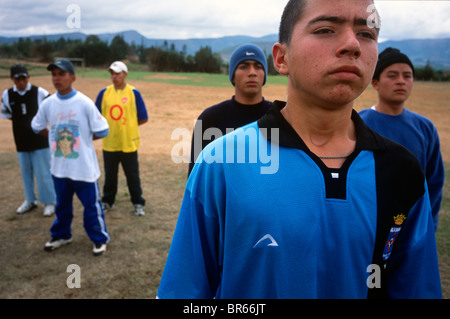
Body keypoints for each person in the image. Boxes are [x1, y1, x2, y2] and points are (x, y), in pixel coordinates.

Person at [157, 0, 441, 298]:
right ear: (282, 59)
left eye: (367, 34)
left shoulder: (403, 172)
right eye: (326, 29)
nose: (352, 44)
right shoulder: (221, 162)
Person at [359, 47, 444, 231]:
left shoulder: (424, 127)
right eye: (392, 75)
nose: (401, 81)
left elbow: (434, 181)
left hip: (412, 225)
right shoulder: (359, 124)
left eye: (407, 76)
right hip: (367, 224)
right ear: (375, 83)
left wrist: (427, 223)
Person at [31, 58, 110, 256]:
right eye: (54, 74)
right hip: (59, 167)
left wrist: (84, 138)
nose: (56, 79)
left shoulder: (84, 103)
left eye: (61, 74)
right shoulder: (48, 104)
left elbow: (103, 129)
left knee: (91, 206)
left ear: (72, 78)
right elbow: (37, 125)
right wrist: (52, 136)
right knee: (62, 206)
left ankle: (99, 239)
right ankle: (61, 235)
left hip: (83, 168)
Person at [188, 43, 272, 175]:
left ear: (264, 75)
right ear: (233, 75)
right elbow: (196, 179)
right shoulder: (209, 119)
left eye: (258, 66)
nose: (252, 73)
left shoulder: (280, 117)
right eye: (243, 67)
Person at [1, 64, 56, 216]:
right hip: (21, 141)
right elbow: (8, 114)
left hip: (40, 141)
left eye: (24, 78)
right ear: (12, 78)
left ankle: (49, 202)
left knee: (44, 173)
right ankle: (30, 200)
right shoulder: (7, 94)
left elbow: (52, 109)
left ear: (28, 77)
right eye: (18, 78)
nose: (21, 82)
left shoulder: (39, 92)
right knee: (26, 173)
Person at [95, 61, 149, 216]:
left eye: (117, 73)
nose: (114, 76)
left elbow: (143, 117)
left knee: (132, 175)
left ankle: (138, 202)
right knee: (110, 175)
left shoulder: (134, 93)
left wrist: (129, 127)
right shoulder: (104, 93)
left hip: (128, 143)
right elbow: (95, 116)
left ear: (125, 74)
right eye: (112, 73)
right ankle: (108, 201)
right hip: (110, 143)